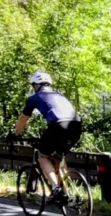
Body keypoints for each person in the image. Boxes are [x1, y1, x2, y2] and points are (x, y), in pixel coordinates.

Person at [11, 72, 81, 203]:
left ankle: (55, 189)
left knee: (42, 155)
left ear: (36, 86)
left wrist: (16, 134)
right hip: (76, 125)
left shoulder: (34, 98)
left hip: (58, 125)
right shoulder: (59, 95)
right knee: (59, 157)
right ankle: (68, 194)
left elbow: (23, 120)